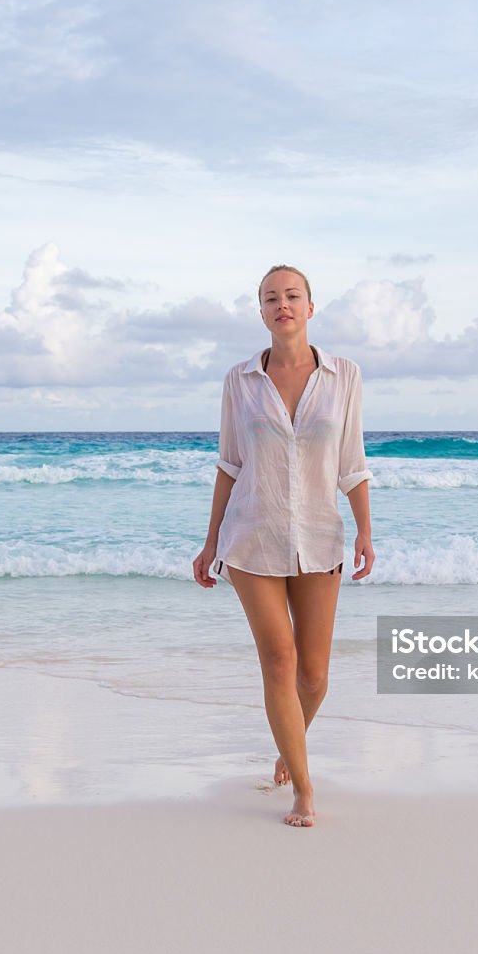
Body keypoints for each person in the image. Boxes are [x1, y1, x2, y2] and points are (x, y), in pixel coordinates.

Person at [192, 264, 375, 827]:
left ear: (310, 307)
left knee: (314, 676)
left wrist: (366, 529)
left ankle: (287, 744)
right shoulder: (239, 380)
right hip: (251, 537)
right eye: (271, 298)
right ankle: (304, 786)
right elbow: (229, 463)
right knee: (279, 660)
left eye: (292, 295)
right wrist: (209, 541)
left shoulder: (343, 376)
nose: (282, 305)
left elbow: (351, 462)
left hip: (321, 537)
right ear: (262, 311)